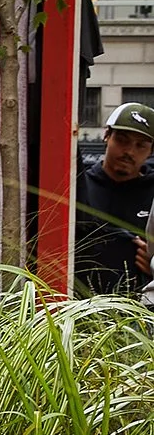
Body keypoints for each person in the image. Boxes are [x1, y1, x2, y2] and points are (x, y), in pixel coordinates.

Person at [72, 101, 154, 297]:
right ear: (106, 136)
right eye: (122, 140)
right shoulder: (79, 186)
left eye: (140, 145)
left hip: (139, 313)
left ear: (151, 151)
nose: (129, 151)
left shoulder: (152, 195)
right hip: (79, 308)